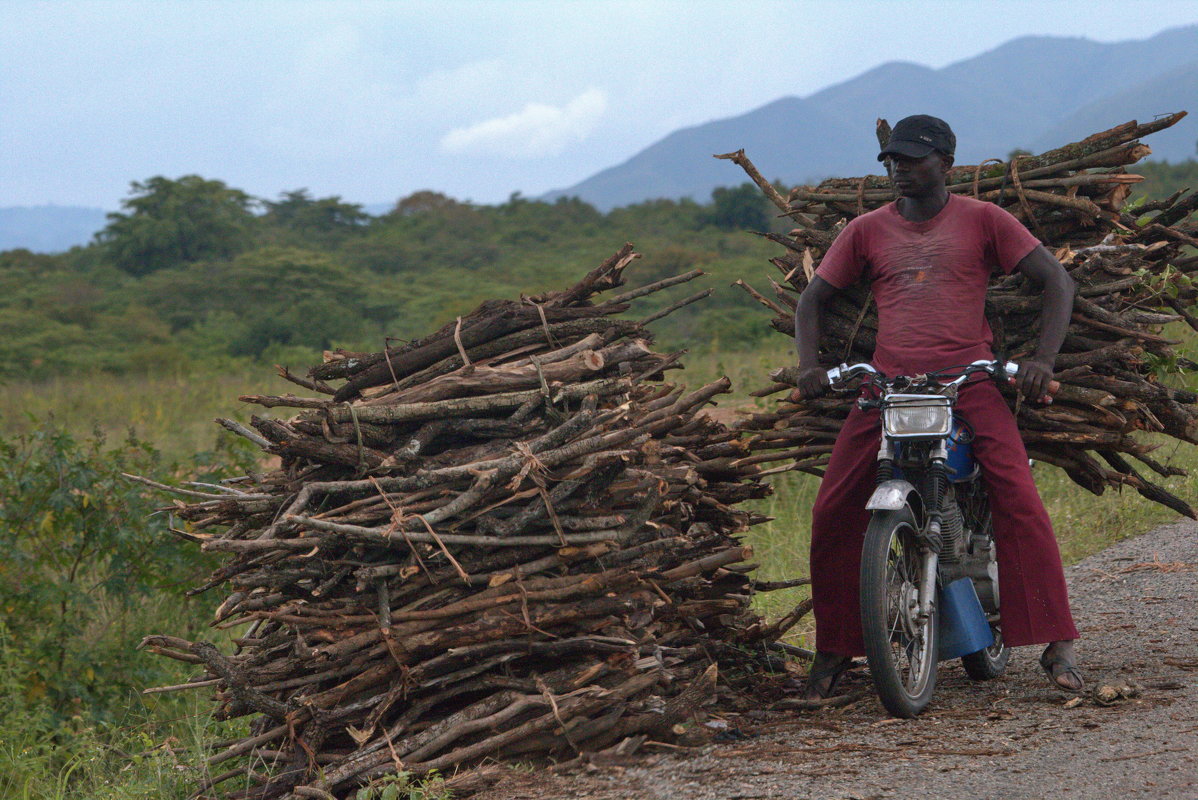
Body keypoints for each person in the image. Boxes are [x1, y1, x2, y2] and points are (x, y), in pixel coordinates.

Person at [794, 114, 1085, 699]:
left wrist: (1042, 361)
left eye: (913, 160)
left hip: (968, 383)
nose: (900, 170)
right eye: (893, 161)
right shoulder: (866, 230)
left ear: (947, 164)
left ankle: (1057, 642)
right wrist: (809, 367)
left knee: (1019, 498)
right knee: (832, 509)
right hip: (887, 389)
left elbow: (1057, 282)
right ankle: (836, 647)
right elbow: (812, 300)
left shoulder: (984, 220)